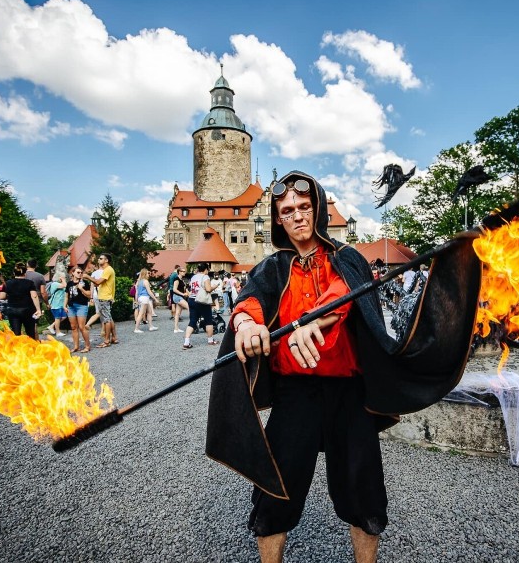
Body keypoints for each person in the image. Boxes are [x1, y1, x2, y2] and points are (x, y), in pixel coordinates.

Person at [205, 171, 482, 562]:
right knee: (275, 490)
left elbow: (346, 293)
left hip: (347, 392)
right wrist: (247, 325)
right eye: (287, 210)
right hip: (294, 393)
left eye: (304, 207)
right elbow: (250, 300)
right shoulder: (272, 267)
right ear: (279, 220)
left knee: (363, 489)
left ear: (316, 210)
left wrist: (311, 319)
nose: (298, 215)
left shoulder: (346, 257)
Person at [0, 262, 43, 339]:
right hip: (27, 310)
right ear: (25, 273)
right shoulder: (29, 283)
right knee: (30, 332)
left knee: (16, 334)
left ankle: (17, 349)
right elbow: (34, 296)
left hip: (13, 310)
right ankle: (31, 348)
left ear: (14, 273)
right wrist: (38, 309)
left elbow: (2, 297)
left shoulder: (7, 283)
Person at [85, 253, 117, 347]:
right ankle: (114, 337)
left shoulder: (108, 270)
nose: (99, 260)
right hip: (106, 296)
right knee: (109, 318)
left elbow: (98, 282)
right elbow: (99, 284)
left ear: (106, 260)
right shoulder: (107, 270)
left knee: (106, 320)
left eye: (101, 258)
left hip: (104, 297)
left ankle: (106, 341)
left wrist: (87, 277)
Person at [182, 262, 217, 348]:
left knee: (193, 320)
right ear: (206, 269)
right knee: (208, 319)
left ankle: (186, 342)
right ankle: (210, 340)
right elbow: (208, 289)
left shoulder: (193, 277)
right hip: (201, 301)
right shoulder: (205, 277)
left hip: (192, 299)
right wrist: (215, 286)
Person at [64, 267, 92, 353]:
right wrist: (64, 306)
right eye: (78, 272)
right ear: (73, 273)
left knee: (81, 327)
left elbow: (89, 294)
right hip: (71, 306)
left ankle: (87, 346)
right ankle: (76, 346)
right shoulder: (69, 284)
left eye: (81, 272)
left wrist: (81, 288)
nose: (80, 274)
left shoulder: (84, 283)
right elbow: (66, 295)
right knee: (73, 327)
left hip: (81, 306)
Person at [25, 259, 49, 339]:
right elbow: (43, 292)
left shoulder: (22, 275)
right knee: (34, 323)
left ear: (27, 265)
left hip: (23, 301)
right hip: (37, 302)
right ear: (36, 266)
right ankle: (35, 340)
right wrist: (47, 303)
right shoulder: (40, 276)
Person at [133, 268, 160, 333]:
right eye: (148, 273)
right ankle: (136, 329)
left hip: (141, 298)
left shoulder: (139, 281)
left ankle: (151, 326)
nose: (149, 274)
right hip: (144, 298)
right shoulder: (145, 281)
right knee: (141, 313)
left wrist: (136, 300)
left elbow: (136, 292)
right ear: (145, 274)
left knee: (149, 312)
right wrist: (155, 298)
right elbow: (149, 291)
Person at [46, 272, 68, 338]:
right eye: (63, 277)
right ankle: (58, 332)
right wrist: (63, 280)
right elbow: (65, 286)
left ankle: (51, 326)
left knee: (64, 316)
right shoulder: (55, 284)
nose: (64, 278)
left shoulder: (59, 284)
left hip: (60, 304)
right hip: (55, 304)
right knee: (57, 318)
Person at [171, 268, 189, 334]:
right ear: (179, 272)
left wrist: (189, 294)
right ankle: (193, 324)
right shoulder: (177, 279)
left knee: (178, 313)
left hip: (180, 297)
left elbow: (185, 289)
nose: (184, 272)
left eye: (185, 271)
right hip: (177, 297)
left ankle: (176, 328)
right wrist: (183, 294)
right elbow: (174, 289)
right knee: (189, 307)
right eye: (183, 271)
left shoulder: (182, 280)